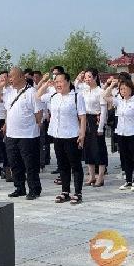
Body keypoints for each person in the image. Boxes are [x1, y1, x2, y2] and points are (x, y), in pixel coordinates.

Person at [37, 72, 86, 204]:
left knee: (75, 165)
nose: (58, 84)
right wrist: (46, 84)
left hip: (72, 135)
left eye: (60, 81)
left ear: (68, 82)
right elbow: (37, 96)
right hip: (57, 135)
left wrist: (82, 134)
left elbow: (82, 117)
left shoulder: (76, 96)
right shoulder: (53, 96)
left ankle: (78, 193)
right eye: (56, 82)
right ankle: (65, 192)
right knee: (62, 165)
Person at [0, 67, 42, 200]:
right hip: (11, 134)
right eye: (9, 76)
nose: (10, 79)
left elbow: (38, 114)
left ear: (21, 76)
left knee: (30, 164)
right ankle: (19, 187)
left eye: (12, 76)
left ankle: (34, 189)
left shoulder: (31, 92)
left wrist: (32, 125)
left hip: (28, 135)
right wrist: (0, 86)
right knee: (15, 163)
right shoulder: (9, 92)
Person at [104, 79, 134, 191]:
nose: (123, 91)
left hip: (133, 132)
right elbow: (105, 96)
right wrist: (112, 85)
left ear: (131, 89)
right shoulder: (119, 101)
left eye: (125, 88)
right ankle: (128, 180)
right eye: (121, 89)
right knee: (125, 157)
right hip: (121, 132)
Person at [75, 68, 107, 187]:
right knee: (87, 149)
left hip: (96, 120)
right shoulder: (84, 90)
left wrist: (100, 127)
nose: (87, 79)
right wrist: (78, 79)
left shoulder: (100, 91)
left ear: (95, 77)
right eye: (85, 77)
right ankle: (91, 176)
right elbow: (74, 88)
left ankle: (101, 177)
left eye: (89, 77)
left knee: (99, 149)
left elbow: (103, 110)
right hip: (85, 120)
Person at [33, 70, 51, 170]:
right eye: (34, 77)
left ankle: (42, 161)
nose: (35, 79)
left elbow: (43, 101)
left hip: (42, 117)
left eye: (37, 77)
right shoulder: (32, 87)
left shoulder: (45, 86)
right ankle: (39, 160)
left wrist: (46, 114)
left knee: (42, 141)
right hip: (35, 119)